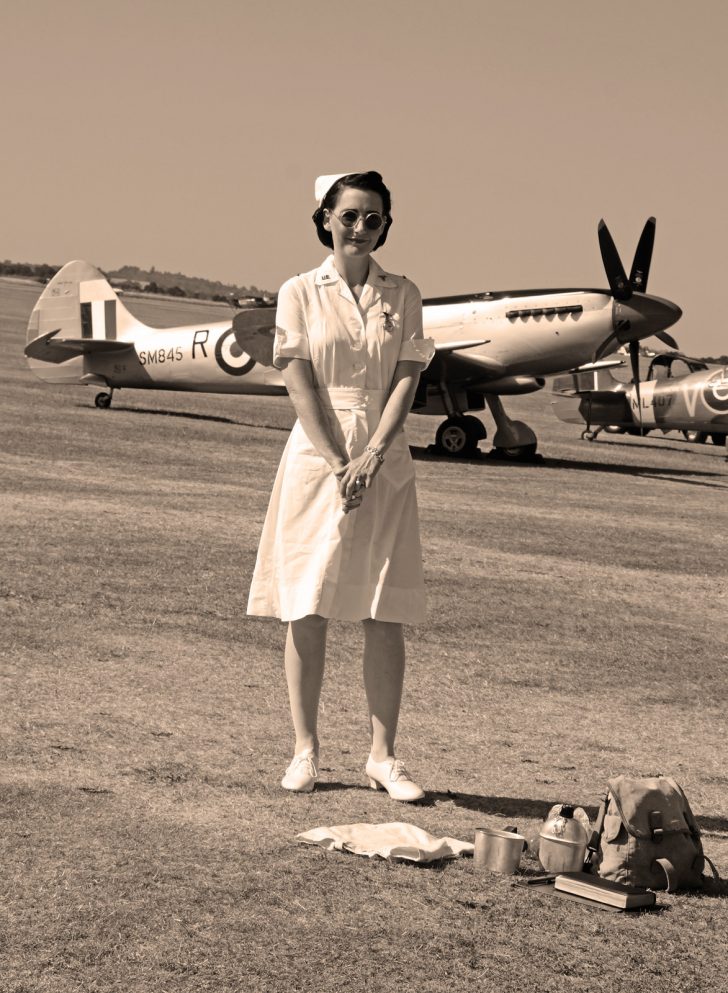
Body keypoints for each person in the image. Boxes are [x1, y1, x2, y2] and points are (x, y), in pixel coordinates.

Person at [247, 171, 434, 801]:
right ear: (325, 217)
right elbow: (298, 379)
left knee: (385, 608)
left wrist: (374, 454)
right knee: (309, 602)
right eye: (349, 215)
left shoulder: (403, 293)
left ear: (385, 225)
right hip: (316, 455)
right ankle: (305, 751)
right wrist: (337, 461)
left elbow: (407, 378)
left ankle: (383, 757)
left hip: (385, 457)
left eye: (373, 218)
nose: (360, 227)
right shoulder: (298, 290)